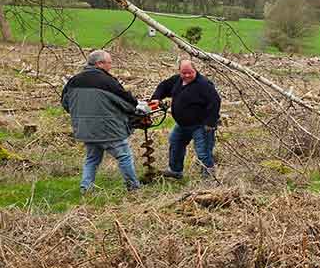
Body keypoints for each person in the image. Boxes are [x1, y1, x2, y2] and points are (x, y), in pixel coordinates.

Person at [61, 49, 143, 194]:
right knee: (124, 156)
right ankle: (134, 188)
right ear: (99, 63)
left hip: (85, 129)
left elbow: (66, 103)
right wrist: (135, 110)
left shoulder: (74, 81)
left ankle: (85, 188)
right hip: (109, 129)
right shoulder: (107, 82)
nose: (110, 66)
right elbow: (127, 103)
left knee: (92, 159)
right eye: (109, 63)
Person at [151, 58, 222, 179]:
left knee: (203, 153)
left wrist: (210, 123)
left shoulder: (204, 84)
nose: (187, 75)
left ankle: (209, 179)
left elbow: (215, 102)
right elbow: (163, 86)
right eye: (184, 73)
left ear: (195, 70)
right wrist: (156, 97)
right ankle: (175, 171)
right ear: (179, 71)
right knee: (175, 143)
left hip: (201, 125)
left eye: (190, 72)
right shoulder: (177, 80)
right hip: (182, 125)